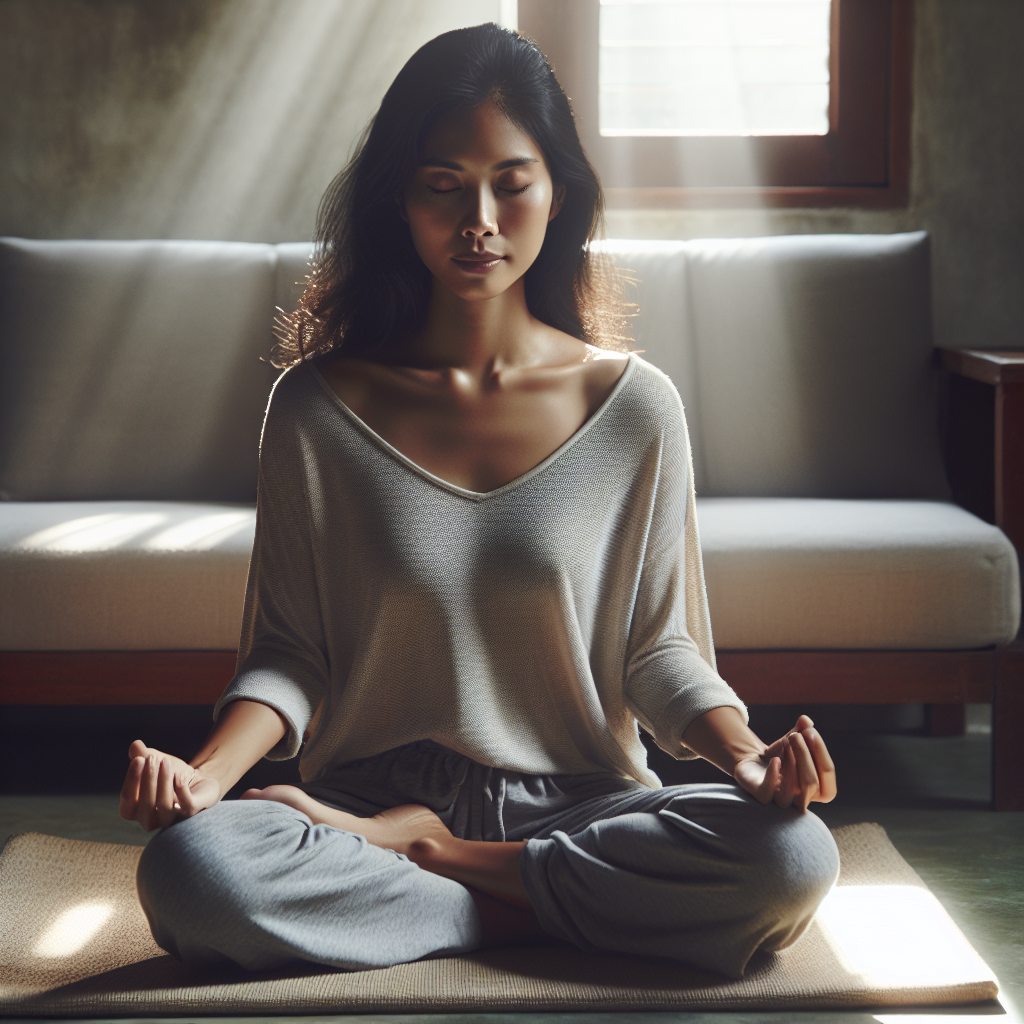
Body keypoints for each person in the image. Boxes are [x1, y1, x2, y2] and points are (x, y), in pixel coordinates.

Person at [120, 23, 839, 980]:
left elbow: (659, 651)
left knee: (791, 857)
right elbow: (293, 655)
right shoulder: (314, 409)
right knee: (192, 872)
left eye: (513, 181)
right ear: (400, 200)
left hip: (580, 799)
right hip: (363, 803)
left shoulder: (635, 408)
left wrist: (747, 755)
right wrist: (207, 778)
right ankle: (557, 907)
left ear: (559, 192)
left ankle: (446, 871)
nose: (480, 222)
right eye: (443, 185)